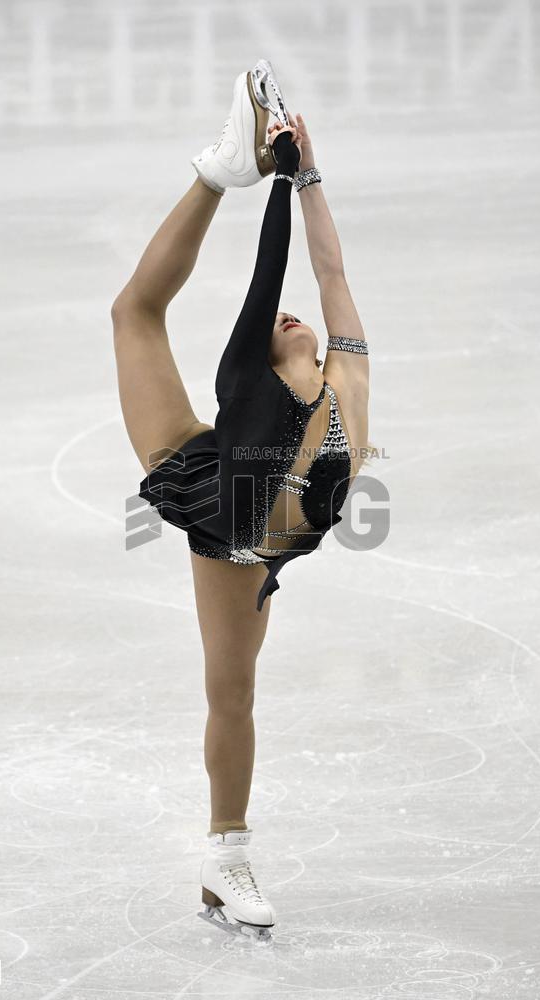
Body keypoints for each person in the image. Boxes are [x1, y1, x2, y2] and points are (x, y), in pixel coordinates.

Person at [112, 59, 369, 939]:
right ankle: (227, 854)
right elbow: (272, 273)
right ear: (259, 354)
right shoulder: (248, 384)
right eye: (280, 320)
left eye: (298, 319)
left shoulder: (345, 382)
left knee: (131, 317)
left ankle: (220, 166)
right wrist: (267, 187)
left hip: (267, 532)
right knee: (233, 691)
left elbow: (327, 268)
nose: (294, 315)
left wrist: (309, 178)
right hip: (226, 522)